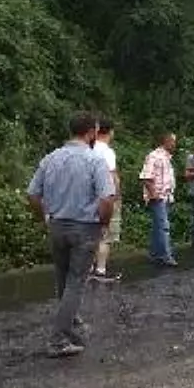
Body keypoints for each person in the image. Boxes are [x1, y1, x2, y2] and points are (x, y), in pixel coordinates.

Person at [26, 112, 115, 358]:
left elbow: (33, 194)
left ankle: (72, 322)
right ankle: (58, 339)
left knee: (63, 279)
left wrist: (44, 216)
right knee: (76, 282)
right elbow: (107, 199)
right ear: (91, 133)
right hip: (84, 228)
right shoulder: (94, 160)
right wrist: (103, 223)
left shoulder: (51, 158)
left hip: (57, 225)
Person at [139, 132, 178, 266]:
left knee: (158, 226)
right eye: (173, 141)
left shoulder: (166, 157)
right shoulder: (154, 156)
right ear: (166, 141)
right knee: (163, 226)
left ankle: (155, 253)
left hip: (166, 196)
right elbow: (146, 176)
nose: (175, 144)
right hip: (158, 196)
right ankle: (166, 255)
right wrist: (153, 193)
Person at [91, 119, 122, 281]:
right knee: (106, 234)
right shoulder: (107, 151)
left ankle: (87, 267)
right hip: (106, 197)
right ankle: (100, 270)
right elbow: (111, 175)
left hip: (89, 198)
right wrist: (116, 196)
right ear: (110, 132)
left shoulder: (89, 148)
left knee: (91, 233)